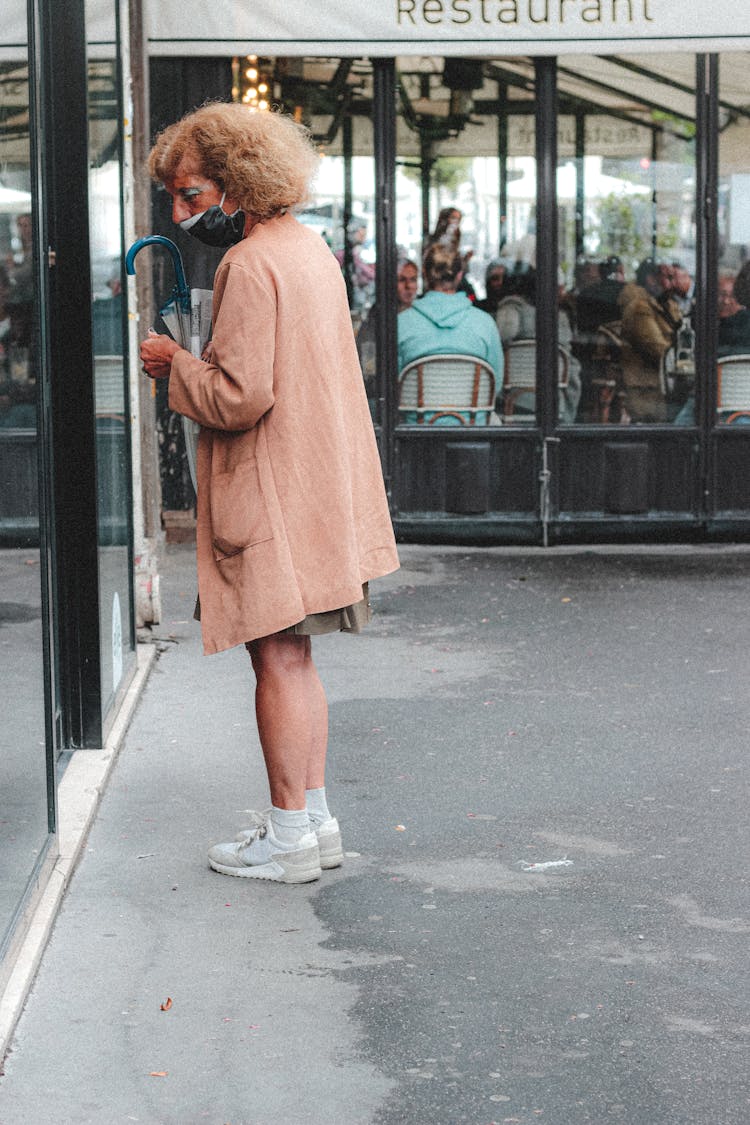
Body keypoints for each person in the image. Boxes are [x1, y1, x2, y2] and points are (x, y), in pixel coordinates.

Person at [140, 103, 399, 883]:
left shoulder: (249, 263)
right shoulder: (306, 247)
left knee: (277, 661)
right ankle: (311, 822)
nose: (183, 215)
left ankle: (288, 837)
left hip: (272, 496)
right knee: (299, 657)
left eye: (192, 195)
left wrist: (172, 363)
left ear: (237, 182)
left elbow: (240, 396)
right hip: (317, 486)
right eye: (177, 201)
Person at [398, 242, 502, 380]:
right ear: (459, 276)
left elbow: (391, 383)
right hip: (470, 402)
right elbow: (496, 382)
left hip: (416, 401)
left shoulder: (401, 323)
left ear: (425, 274)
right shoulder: (485, 323)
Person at [494, 265, 581, 423]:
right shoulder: (559, 319)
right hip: (554, 402)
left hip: (512, 402)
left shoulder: (510, 313)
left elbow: (502, 336)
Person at [618, 258, 681, 423]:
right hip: (648, 391)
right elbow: (657, 349)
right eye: (668, 277)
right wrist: (685, 358)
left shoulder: (668, 304)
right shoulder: (639, 308)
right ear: (651, 280)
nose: (674, 284)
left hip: (666, 384)